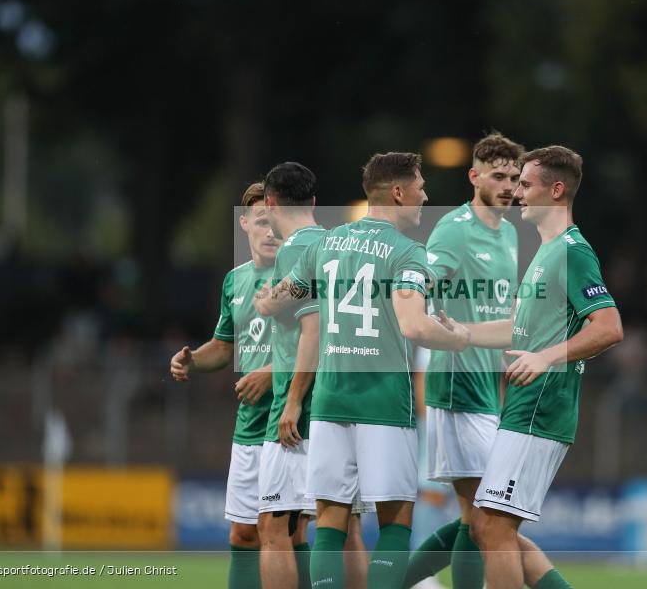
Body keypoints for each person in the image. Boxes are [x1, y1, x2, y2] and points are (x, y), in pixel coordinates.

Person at [259, 152, 470, 589]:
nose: (424, 196)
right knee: (395, 520)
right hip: (383, 403)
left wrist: (264, 302)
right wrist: (457, 337)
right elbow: (414, 324)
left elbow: (283, 297)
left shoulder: (327, 243)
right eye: (420, 187)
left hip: (331, 401)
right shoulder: (410, 254)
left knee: (329, 522)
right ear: (397, 192)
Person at [465, 145, 623, 589]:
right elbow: (520, 325)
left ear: (556, 191)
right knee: (488, 528)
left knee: (494, 529)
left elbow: (609, 327)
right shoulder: (546, 252)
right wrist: (461, 332)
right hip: (524, 405)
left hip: (540, 406)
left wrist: (547, 357)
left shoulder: (573, 251)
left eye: (525, 185)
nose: (516, 193)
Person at [404, 132, 523, 589]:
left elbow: (502, 314)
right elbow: (424, 280)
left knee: (479, 519)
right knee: (491, 516)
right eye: (498, 176)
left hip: (486, 390)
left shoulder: (510, 233)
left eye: (514, 177)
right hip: (455, 389)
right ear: (474, 177)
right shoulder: (455, 228)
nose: (509, 185)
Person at [253, 162, 370, 589]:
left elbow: (313, 327)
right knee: (345, 528)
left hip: (305, 407)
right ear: (314, 202)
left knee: (273, 528)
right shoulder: (340, 243)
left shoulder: (294, 249)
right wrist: (275, 298)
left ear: (269, 203)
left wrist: (293, 399)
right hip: (349, 399)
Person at [170, 182, 280, 589]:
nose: (271, 231)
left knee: (285, 534)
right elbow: (224, 346)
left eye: (277, 221)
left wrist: (272, 371)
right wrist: (192, 360)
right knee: (243, 534)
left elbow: (320, 342)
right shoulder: (235, 282)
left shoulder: (301, 274)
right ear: (245, 223)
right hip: (249, 425)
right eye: (263, 221)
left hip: (292, 422)